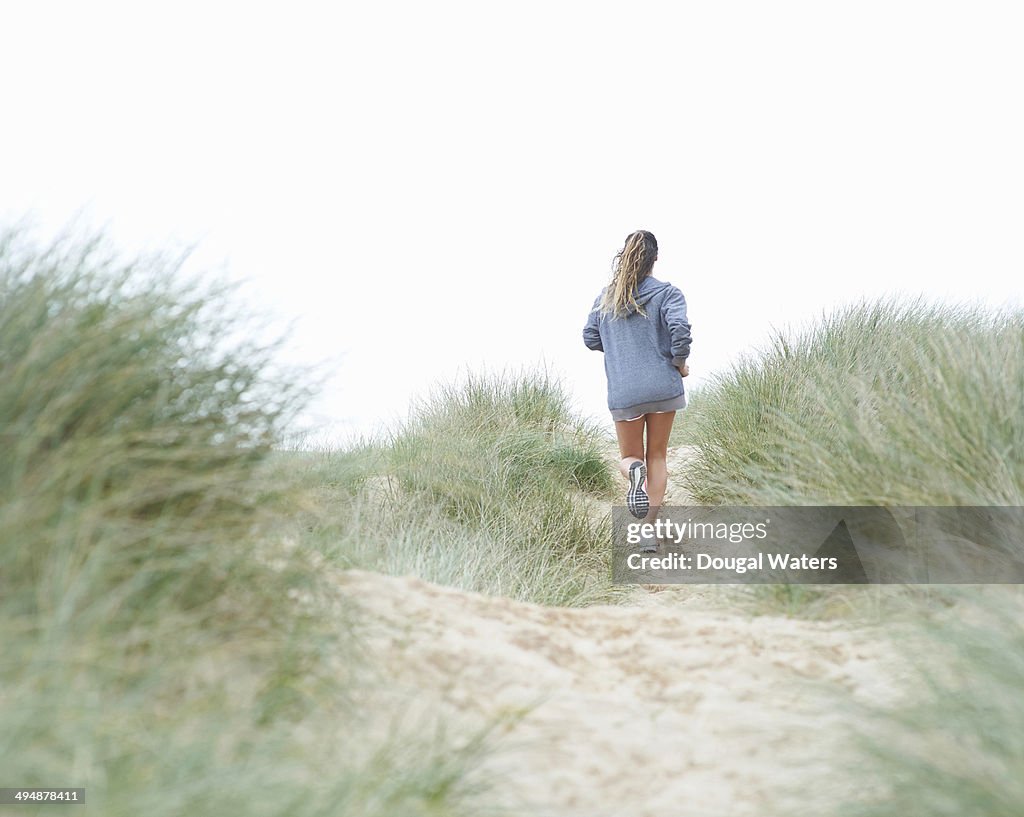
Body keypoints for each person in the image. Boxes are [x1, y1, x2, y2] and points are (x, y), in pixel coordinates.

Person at [583, 230, 691, 549]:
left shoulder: (606, 298)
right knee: (657, 456)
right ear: (654, 259)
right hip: (662, 385)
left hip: (624, 390)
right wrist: (680, 362)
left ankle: (634, 472)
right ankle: (648, 530)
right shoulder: (668, 294)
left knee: (632, 456)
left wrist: (620, 349)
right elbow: (680, 331)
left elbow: (590, 337)